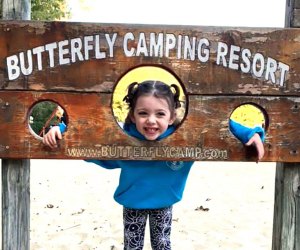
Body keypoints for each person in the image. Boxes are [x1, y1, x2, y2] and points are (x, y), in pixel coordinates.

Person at [43, 80, 265, 249]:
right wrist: (61, 131)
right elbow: (88, 127)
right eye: (143, 113)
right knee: (132, 246)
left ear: (171, 117)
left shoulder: (184, 133)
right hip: (133, 201)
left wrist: (251, 134)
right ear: (132, 116)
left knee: (162, 244)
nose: (151, 120)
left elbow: (220, 121)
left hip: (164, 201)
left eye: (160, 114)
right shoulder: (125, 133)